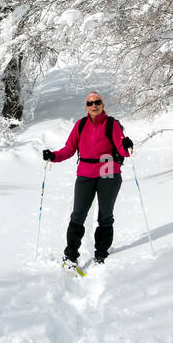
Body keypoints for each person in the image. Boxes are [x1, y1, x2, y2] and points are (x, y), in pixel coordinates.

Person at [42, 91, 134, 268]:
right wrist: (53, 156)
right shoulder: (81, 124)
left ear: (102, 104)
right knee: (78, 215)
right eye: (90, 103)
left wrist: (126, 146)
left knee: (105, 215)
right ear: (86, 107)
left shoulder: (112, 124)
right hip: (85, 172)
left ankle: (101, 254)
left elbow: (123, 152)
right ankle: (70, 256)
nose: (94, 105)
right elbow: (69, 149)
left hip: (108, 169)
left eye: (97, 102)